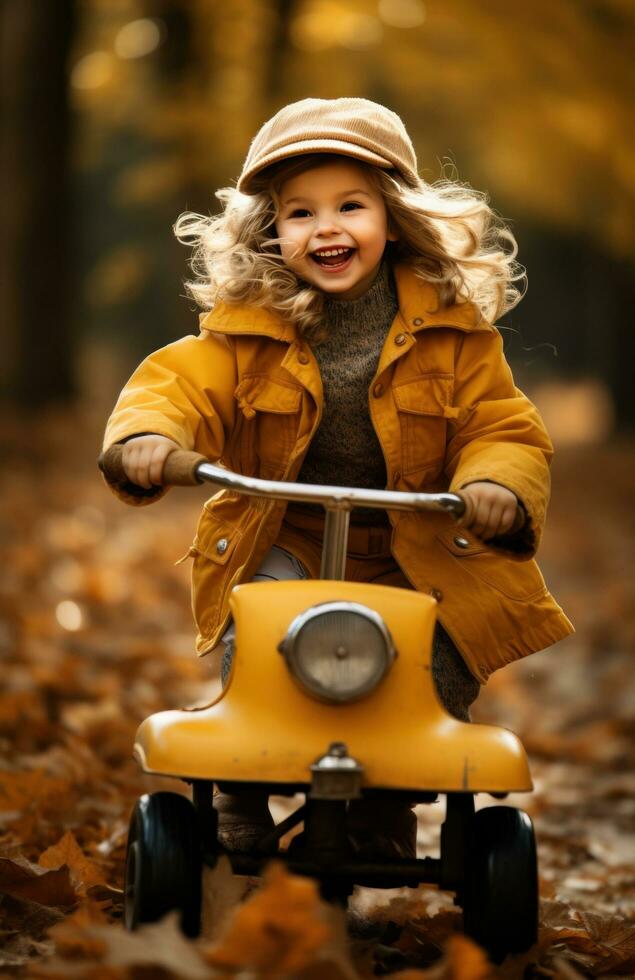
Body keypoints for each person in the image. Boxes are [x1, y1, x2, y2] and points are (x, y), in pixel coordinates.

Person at [101, 97, 574, 859]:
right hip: (289, 531)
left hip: (413, 543)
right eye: (299, 213)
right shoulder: (246, 329)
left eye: (350, 206)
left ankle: (386, 801)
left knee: (438, 660)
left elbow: (501, 423)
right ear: (269, 231)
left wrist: (499, 486)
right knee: (260, 628)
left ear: (393, 218)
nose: (325, 228)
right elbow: (179, 385)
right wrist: (151, 436)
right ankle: (242, 792)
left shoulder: (456, 335)